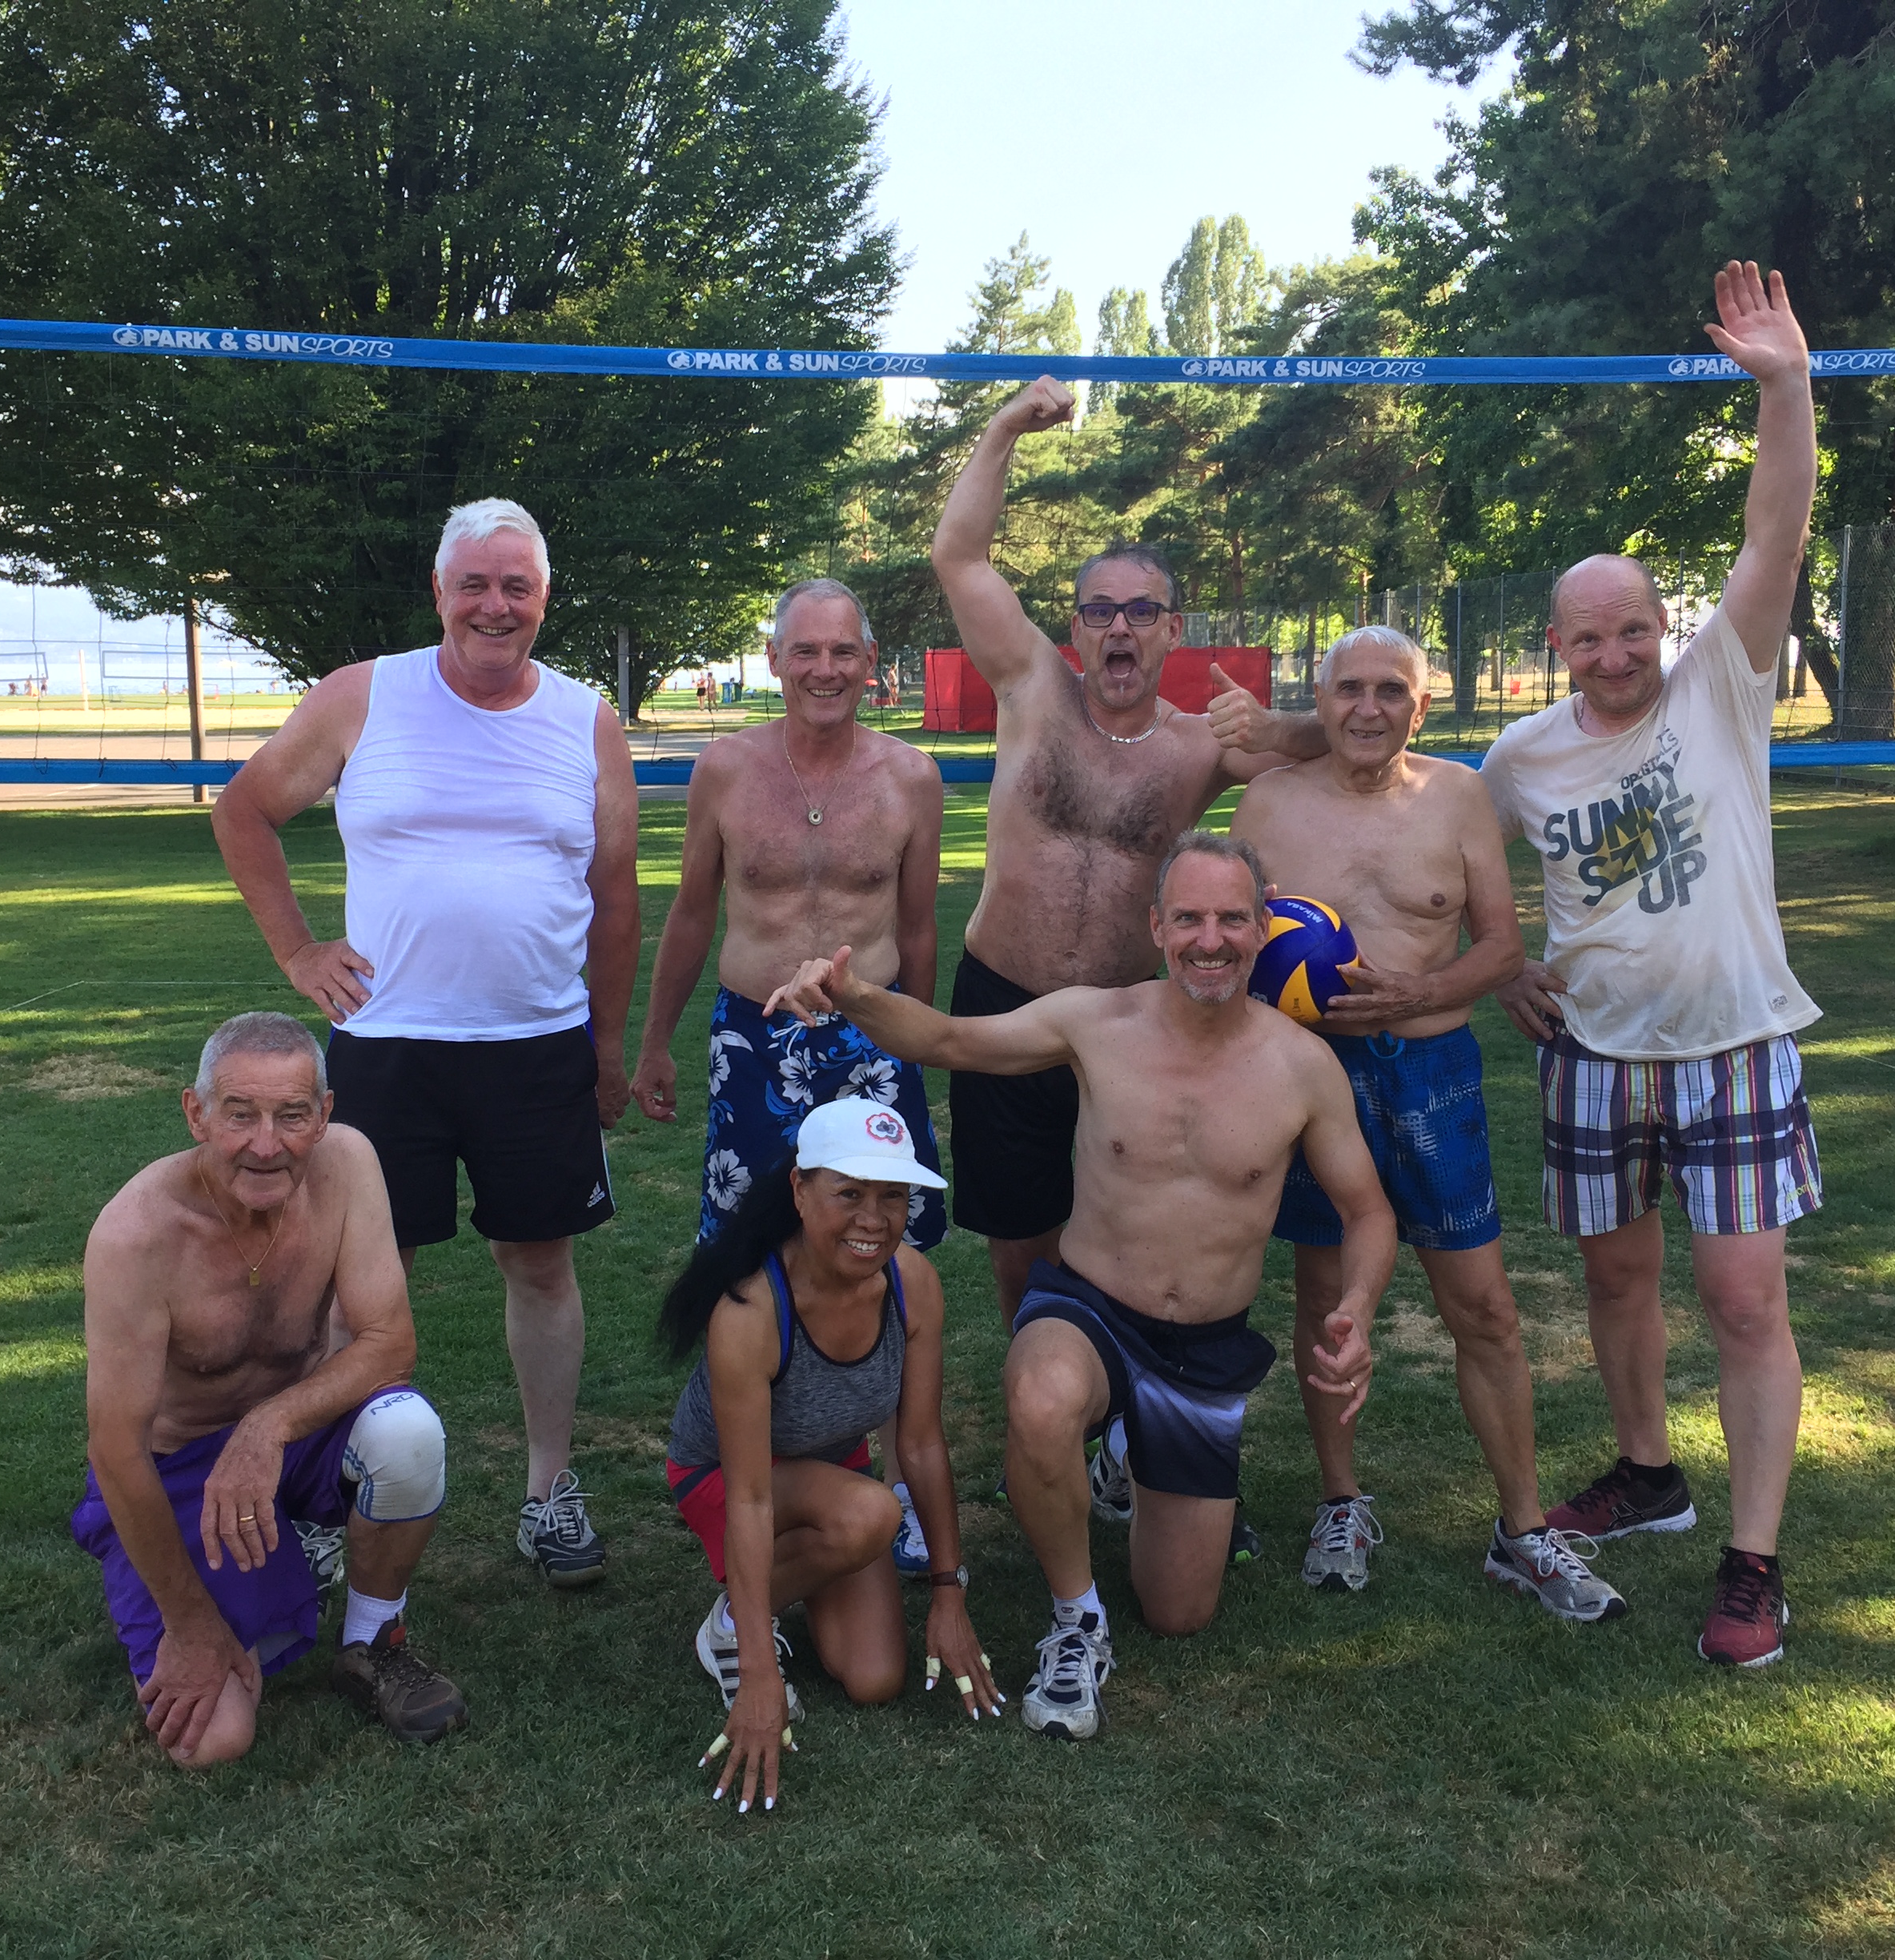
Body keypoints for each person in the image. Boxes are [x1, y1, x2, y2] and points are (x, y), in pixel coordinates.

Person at [768, 833, 1397, 1741]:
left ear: (1263, 928)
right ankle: (1076, 1621)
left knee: (1180, 1611)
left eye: (1231, 919)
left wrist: (1357, 1310)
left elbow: (1367, 1211)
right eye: (1188, 918)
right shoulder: (1096, 1023)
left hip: (1203, 1345)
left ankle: (1130, 1459)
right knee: (1042, 1394)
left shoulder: (1302, 1067)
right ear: (1156, 927)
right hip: (1090, 1307)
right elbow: (948, 1040)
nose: (1210, 940)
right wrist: (854, 994)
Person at [1483, 263, 1824, 1668]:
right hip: (1593, 1054)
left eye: (1634, 627)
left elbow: (1774, 527)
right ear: (1555, 646)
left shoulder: (1720, 683)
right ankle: (1645, 1474)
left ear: (1658, 626)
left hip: (1732, 1040)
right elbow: (1441, 848)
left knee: (1741, 1300)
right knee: (1617, 1286)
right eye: (1590, 635)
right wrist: (1499, 959)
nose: (1617, 652)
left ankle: (1753, 1563)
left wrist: (1784, 386)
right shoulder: (1521, 757)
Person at [211, 496, 640, 1592]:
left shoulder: (585, 718)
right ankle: (325, 1498)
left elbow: (615, 891)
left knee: (539, 1265)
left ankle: (549, 1491)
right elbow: (244, 810)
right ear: (440, 591)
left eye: (517, 586)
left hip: (537, 1043)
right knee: (362, 1281)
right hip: (389, 1046)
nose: (496, 605)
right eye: (474, 584)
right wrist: (298, 949)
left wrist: (607, 1048)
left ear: (544, 598)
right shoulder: (365, 695)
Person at [1227, 627, 1623, 1622]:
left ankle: (1523, 1529)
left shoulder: (1458, 795)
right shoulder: (1268, 804)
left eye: (1391, 692)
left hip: (1434, 1076)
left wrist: (1420, 992)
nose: (1368, 709)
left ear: (1422, 704)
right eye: (1349, 689)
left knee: (1483, 1306)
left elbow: (1501, 949)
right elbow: (1228, 939)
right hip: (1314, 1075)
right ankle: (1340, 1502)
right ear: (1321, 700)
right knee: (1327, 1297)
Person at [929, 380, 1325, 1325]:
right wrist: (1005, 427)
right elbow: (959, 555)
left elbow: (1342, 742)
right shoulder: (1033, 689)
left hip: (1123, 1020)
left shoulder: (1200, 747)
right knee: (1019, 1238)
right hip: (1003, 998)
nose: (1119, 627)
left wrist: (1280, 725)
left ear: (1172, 631)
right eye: (1100, 611)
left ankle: (1115, 1390)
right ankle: (1040, 1376)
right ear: (1074, 627)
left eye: (1142, 612)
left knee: (1126, 1223)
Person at [633, 576, 950, 1572]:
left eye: (843, 651)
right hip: (753, 1042)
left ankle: (894, 1486)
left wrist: (918, 1049)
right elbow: (693, 912)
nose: (824, 669)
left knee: (882, 1247)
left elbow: (917, 931)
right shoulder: (725, 769)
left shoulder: (912, 778)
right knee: (747, 1247)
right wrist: (654, 1041)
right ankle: (747, 1465)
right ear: (773, 660)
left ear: (870, 663)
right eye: (804, 651)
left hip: (869, 1046)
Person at [72, 1012, 466, 1768]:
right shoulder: (136, 1235)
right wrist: (190, 1626)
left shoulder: (347, 1164)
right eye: (239, 1115)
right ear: (195, 1114)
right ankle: (211, 1584)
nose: (266, 1143)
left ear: (324, 1113)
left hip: (294, 1436)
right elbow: (115, 1450)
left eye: (291, 1115)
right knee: (215, 1739)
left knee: (407, 1431)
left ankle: (373, 1643)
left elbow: (391, 1343)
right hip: (182, 1466)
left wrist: (267, 1428)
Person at [661, 1098, 998, 1812]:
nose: (873, 1220)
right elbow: (750, 1496)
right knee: (870, 1515)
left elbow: (921, 1442)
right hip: (724, 1479)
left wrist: (949, 1591)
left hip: (832, 1480)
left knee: (875, 1678)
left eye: (893, 1197)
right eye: (849, 1194)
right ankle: (736, 1628)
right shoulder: (752, 1309)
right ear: (800, 1190)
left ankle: (771, 1594)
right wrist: (759, 1671)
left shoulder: (913, 1283)